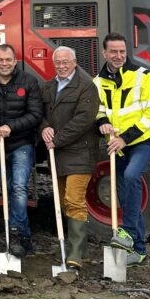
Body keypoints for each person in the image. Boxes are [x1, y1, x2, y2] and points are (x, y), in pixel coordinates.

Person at [94, 33, 150, 266]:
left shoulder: (145, 77)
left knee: (133, 176)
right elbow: (99, 111)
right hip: (117, 144)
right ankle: (139, 250)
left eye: (122, 51)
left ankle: (127, 233)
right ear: (105, 53)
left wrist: (125, 137)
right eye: (113, 51)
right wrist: (102, 123)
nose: (119, 56)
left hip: (141, 141)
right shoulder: (98, 82)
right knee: (126, 197)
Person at [39, 46, 100, 269]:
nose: (62, 66)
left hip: (79, 153)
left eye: (66, 62)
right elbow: (40, 114)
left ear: (74, 63)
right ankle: (78, 247)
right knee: (64, 202)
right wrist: (44, 127)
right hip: (57, 155)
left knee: (74, 200)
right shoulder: (48, 87)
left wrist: (57, 139)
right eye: (58, 62)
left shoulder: (86, 87)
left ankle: (75, 254)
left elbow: (84, 121)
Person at [0, 43, 43, 257]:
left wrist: (11, 127)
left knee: (18, 187)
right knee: (7, 189)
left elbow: (35, 114)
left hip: (22, 143)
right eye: (0, 60)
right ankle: (23, 236)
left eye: (8, 60)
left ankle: (16, 234)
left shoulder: (29, 82)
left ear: (14, 61)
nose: (4, 64)